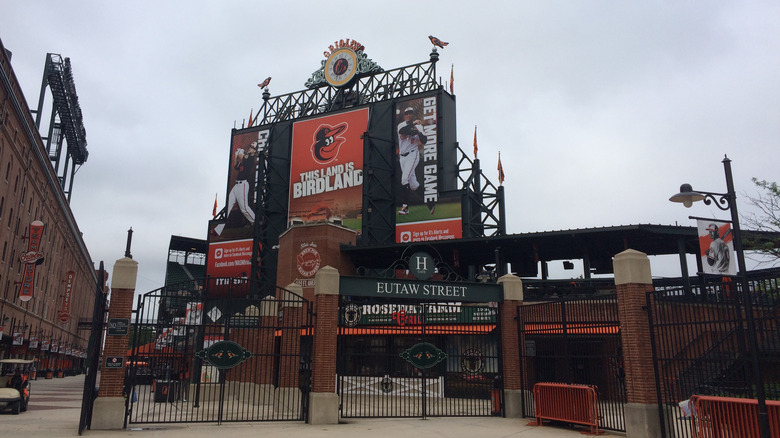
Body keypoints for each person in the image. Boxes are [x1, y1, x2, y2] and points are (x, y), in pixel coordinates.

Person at [214, 141, 259, 235]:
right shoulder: (245, 156)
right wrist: (236, 155)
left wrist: (239, 153)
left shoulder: (251, 158)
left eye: (253, 148)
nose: (250, 148)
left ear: (254, 151)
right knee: (228, 207)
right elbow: (236, 166)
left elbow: (243, 158)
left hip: (243, 184)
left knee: (244, 208)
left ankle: (256, 222)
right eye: (250, 146)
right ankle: (218, 230)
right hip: (236, 185)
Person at [396, 107, 434, 215]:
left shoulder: (418, 126)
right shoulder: (401, 125)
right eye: (407, 113)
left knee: (404, 179)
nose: (408, 115)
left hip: (412, 155)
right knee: (413, 184)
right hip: (402, 157)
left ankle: (405, 207)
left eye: (410, 113)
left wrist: (418, 129)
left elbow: (424, 140)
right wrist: (413, 125)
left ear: (413, 114)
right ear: (404, 115)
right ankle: (429, 202)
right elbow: (402, 131)